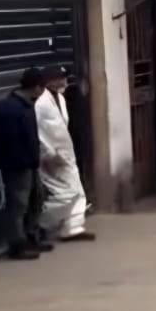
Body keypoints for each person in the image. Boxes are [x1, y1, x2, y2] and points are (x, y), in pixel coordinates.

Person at [0, 68, 58, 260]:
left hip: (30, 163)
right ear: (36, 88)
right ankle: (18, 246)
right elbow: (9, 141)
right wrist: (22, 160)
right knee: (18, 205)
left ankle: (32, 237)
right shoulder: (12, 108)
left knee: (35, 200)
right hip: (19, 165)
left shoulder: (26, 106)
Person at [36, 65, 96, 243]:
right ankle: (40, 222)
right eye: (60, 78)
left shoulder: (61, 98)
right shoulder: (40, 102)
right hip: (50, 156)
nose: (64, 81)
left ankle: (73, 227)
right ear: (49, 81)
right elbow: (37, 130)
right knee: (65, 194)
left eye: (65, 78)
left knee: (77, 191)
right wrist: (48, 153)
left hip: (66, 152)